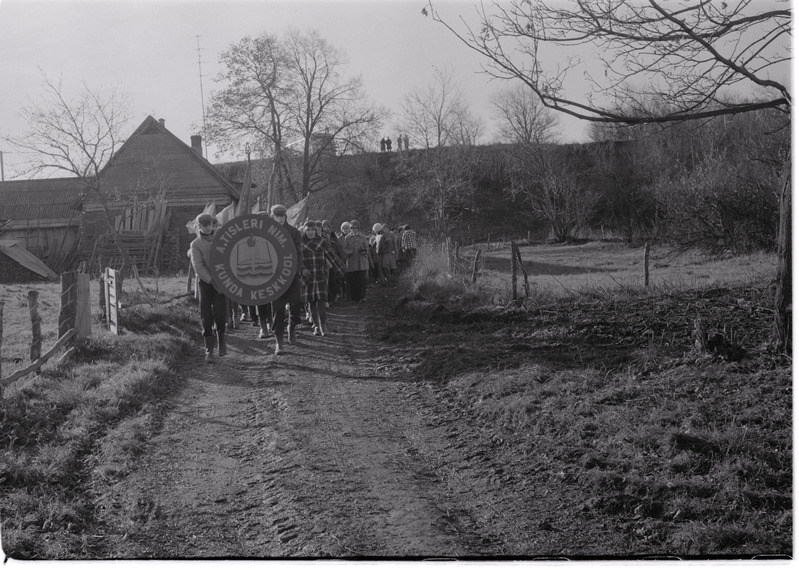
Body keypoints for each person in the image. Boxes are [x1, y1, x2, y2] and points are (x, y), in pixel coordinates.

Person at [269, 204, 307, 355]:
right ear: (272, 216)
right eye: (276, 215)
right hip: (274, 277)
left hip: (292, 275)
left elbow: (298, 253)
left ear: (285, 216)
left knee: (296, 303)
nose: (279, 218)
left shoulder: (294, 232)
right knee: (277, 309)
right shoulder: (266, 231)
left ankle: (292, 325)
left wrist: (299, 270)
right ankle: (279, 341)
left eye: (282, 215)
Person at [189, 213, 227, 363]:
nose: (207, 228)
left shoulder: (222, 238)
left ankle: (222, 341)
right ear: (199, 226)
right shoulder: (196, 244)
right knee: (206, 314)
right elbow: (198, 266)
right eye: (204, 226)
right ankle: (209, 350)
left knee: (220, 312)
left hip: (222, 281)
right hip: (206, 282)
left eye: (210, 225)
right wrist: (212, 281)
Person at [301, 221, 330, 336]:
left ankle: (324, 326)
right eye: (308, 230)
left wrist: (340, 268)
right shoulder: (301, 243)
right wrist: (303, 269)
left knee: (321, 301)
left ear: (316, 230)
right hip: (308, 276)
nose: (310, 232)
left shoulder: (322, 241)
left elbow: (331, 255)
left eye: (312, 229)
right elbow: (298, 259)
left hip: (320, 274)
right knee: (311, 302)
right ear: (304, 231)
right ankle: (316, 326)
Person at [343, 220, 371, 302]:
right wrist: (349, 252)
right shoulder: (347, 237)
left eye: (356, 228)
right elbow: (344, 248)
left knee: (362, 280)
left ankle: (362, 297)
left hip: (361, 261)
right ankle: (354, 297)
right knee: (352, 280)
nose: (354, 230)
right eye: (352, 228)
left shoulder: (362, 237)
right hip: (351, 262)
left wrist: (364, 250)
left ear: (358, 228)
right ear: (350, 228)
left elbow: (367, 247)